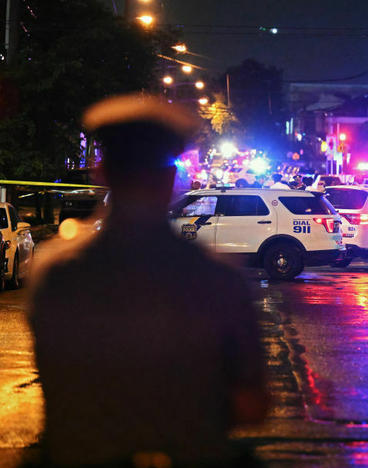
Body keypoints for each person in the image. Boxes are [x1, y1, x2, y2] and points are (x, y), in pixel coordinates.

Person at [28, 94, 269, 467]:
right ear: (171, 179)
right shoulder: (219, 279)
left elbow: (53, 382)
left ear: (101, 172)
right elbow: (252, 406)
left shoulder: (56, 274)